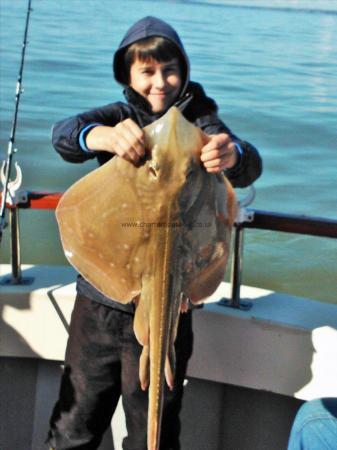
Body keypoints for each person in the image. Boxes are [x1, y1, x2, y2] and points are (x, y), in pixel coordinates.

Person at [47, 16, 263, 450]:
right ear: (127, 76)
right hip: (100, 300)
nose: (159, 81)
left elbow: (248, 163)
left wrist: (229, 153)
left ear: (183, 71)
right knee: (75, 423)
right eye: (146, 71)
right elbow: (64, 136)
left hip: (174, 296)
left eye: (170, 69)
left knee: (155, 425)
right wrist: (102, 137)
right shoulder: (118, 117)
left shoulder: (202, 124)